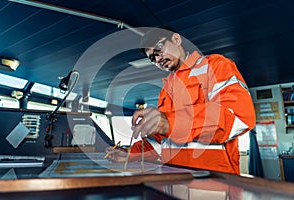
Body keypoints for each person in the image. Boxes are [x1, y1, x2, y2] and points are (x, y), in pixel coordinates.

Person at [106, 27, 256, 174]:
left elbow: (238, 117)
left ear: (176, 39)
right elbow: (160, 143)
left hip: (213, 181)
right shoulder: (165, 91)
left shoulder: (215, 66)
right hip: (173, 179)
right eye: (152, 58)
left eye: (159, 49)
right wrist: (130, 154)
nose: (157, 59)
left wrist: (171, 122)